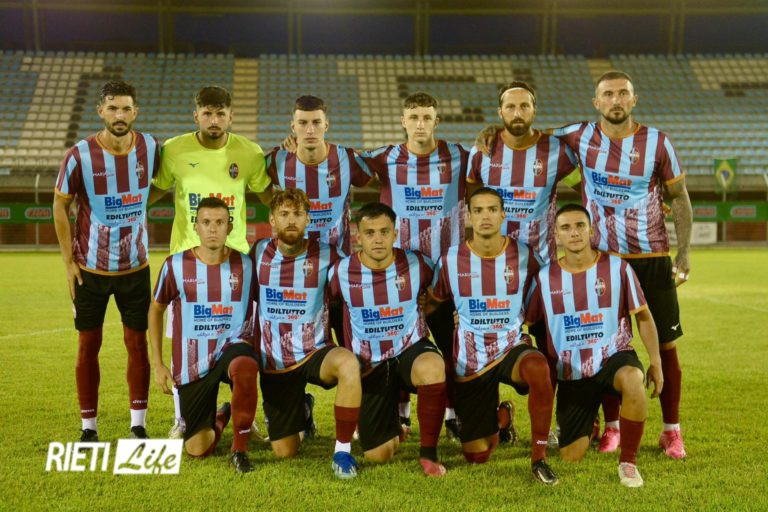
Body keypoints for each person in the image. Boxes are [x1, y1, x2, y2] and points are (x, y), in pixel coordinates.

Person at [550, 71, 691, 459]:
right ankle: (611, 427)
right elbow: (531, 137)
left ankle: (671, 431)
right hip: (603, 261)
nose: (616, 100)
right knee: (604, 343)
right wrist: (493, 132)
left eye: (623, 93)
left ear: (634, 99)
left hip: (651, 256)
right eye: (608, 94)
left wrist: (683, 253)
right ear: (596, 102)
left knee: (666, 344)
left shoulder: (658, 142)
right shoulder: (579, 135)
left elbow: (679, 197)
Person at [148, 85, 273, 438]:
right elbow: (151, 192)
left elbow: (269, 196)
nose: (214, 120)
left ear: (231, 116)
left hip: (235, 266)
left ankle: (244, 414)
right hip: (187, 264)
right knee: (185, 344)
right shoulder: (174, 150)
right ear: (196, 116)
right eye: (207, 113)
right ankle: (181, 417)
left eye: (220, 114)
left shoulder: (249, 152)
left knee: (242, 343)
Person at [526, 204, 663, 487]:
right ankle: (591, 421)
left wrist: (656, 362)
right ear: (556, 236)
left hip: (614, 356)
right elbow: (525, 320)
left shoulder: (618, 268)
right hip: (572, 373)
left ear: (591, 230)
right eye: (566, 228)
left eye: (580, 226)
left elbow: (644, 316)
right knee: (570, 456)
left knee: (633, 381)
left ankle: (628, 462)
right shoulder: (544, 278)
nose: (574, 233)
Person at [429, 187, 558, 485]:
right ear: (468, 217)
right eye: (478, 210)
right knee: (477, 455)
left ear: (502, 215)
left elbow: (547, 292)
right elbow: (434, 301)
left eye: (491, 209)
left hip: (511, 347)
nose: (485, 216)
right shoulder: (451, 259)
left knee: (538, 368)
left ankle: (539, 458)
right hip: (471, 359)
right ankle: (503, 417)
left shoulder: (525, 255)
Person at [53, 80, 158, 442]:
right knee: (88, 346)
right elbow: (59, 205)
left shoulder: (150, 147)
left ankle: (138, 424)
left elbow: (167, 179)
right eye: (112, 108)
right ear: (100, 111)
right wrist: (68, 262)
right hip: (90, 271)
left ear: (135, 112)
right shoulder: (79, 155)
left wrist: (140, 204)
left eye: (126, 108)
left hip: (136, 268)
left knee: (137, 344)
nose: (119, 115)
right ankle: (89, 428)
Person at [362, 91, 468, 440]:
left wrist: (491, 134)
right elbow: (338, 162)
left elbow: (498, 158)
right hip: (399, 274)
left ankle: (453, 415)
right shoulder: (384, 158)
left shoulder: (460, 156)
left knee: (452, 349)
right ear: (403, 121)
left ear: (437, 121)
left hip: (446, 276)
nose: (420, 124)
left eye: (426, 117)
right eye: (414, 118)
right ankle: (399, 415)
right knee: (395, 344)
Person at [328, 202, 448, 477]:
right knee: (379, 455)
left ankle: (428, 454)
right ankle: (392, 425)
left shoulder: (417, 263)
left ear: (395, 234)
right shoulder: (341, 272)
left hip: (409, 349)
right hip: (370, 364)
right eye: (370, 233)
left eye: (384, 232)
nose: (378, 239)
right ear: (358, 237)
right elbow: (329, 307)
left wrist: (443, 310)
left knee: (433, 367)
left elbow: (443, 292)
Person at [250, 189, 362, 479]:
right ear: (272, 220)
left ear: (308, 219)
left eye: (298, 214)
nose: (291, 220)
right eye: (284, 214)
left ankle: (342, 451)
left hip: (315, 352)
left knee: (348, 364)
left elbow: (357, 287)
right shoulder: (258, 253)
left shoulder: (328, 254)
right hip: (275, 363)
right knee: (285, 451)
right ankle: (304, 410)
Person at [149, 197, 260, 473]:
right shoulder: (175, 265)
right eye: (206, 222)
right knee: (198, 449)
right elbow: (156, 309)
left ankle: (239, 449)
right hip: (193, 362)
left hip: (232, 348)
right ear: (195, 226)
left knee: (245, 365)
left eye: (220, 222)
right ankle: (223, 414)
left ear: (229, 227)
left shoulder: (246, 266)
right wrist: (158, 363)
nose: (213, 228)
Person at [267, 95, 374, 347]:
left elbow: (382, 180)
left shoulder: (347, 159)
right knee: (296, 346)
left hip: (339, 269)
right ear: (293, 127)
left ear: (327, 125)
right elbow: (254, 183)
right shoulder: (277, 160)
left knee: (351, 347)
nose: (310, 130)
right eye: (303, 123)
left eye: (316, 122)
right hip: (294, 276)